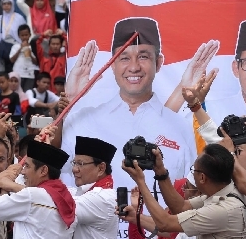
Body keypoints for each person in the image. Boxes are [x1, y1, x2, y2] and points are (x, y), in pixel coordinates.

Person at [55, 17, 199, 192]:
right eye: (124, 58)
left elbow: (192, 192)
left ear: (159, 63)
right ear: (113, 64)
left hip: (160, 220)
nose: (134, 67)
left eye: (143, 56)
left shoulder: (181, 127)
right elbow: (48, 172)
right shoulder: (82, 120)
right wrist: (69, 103)